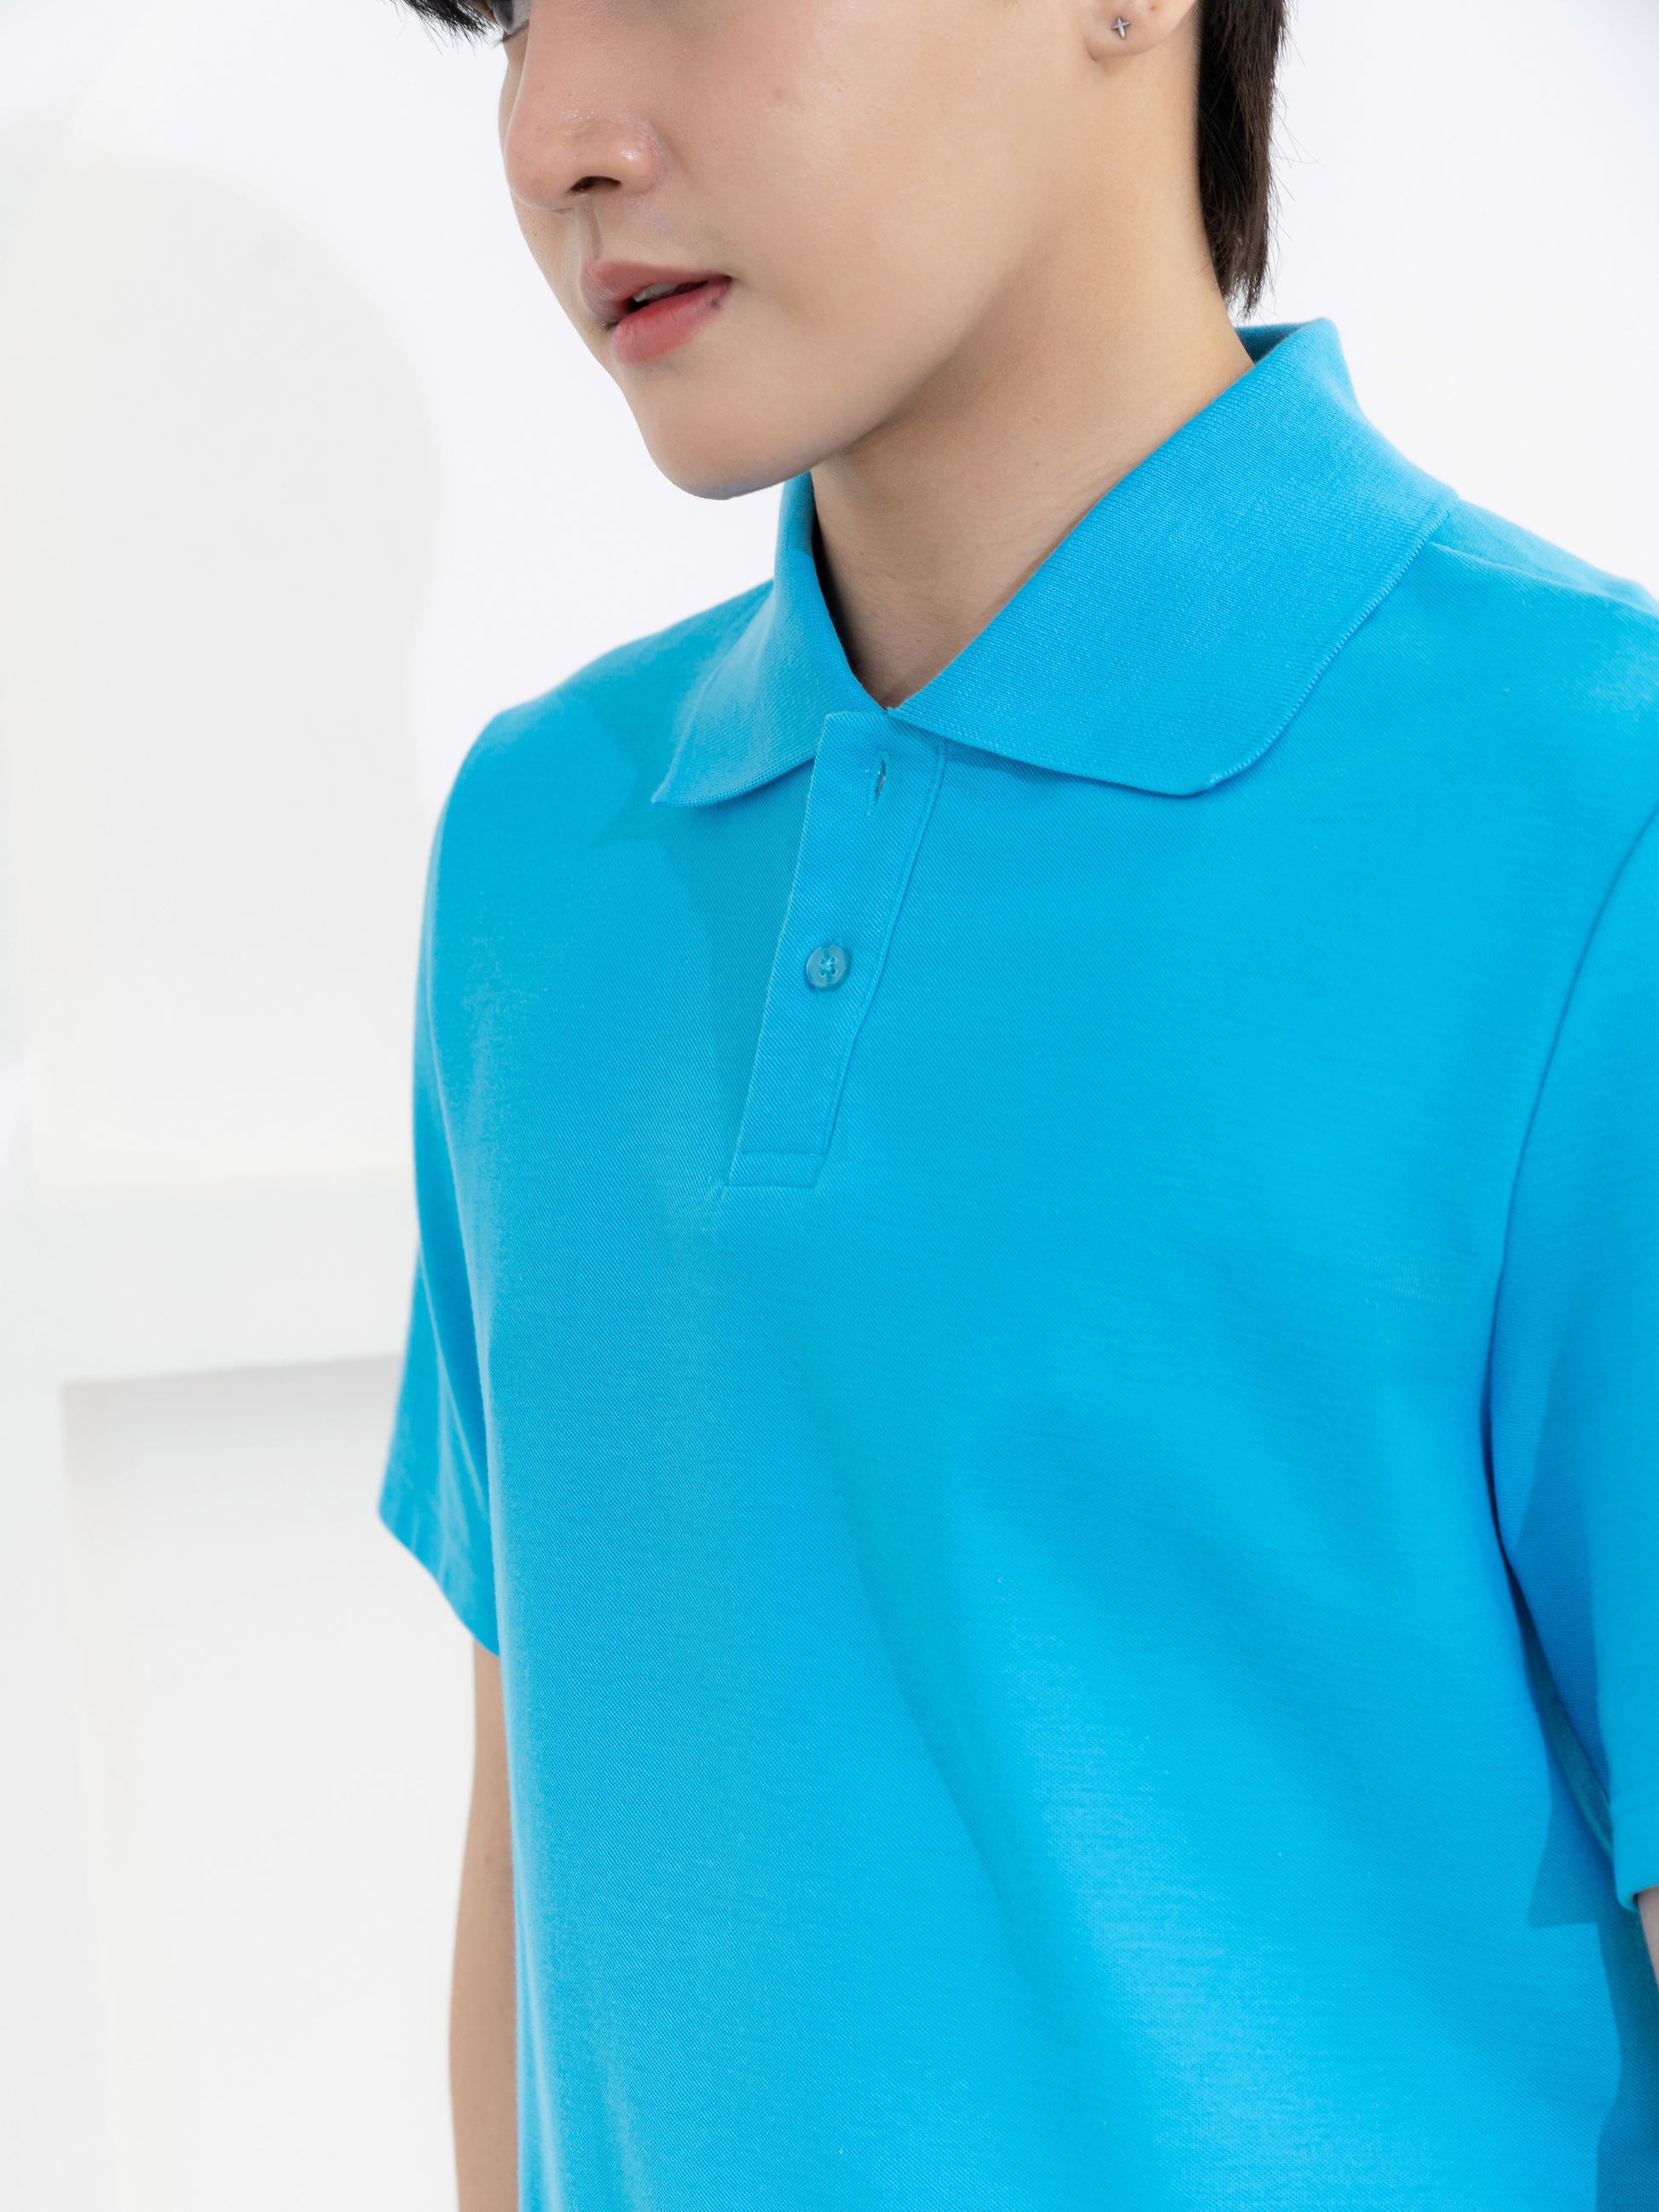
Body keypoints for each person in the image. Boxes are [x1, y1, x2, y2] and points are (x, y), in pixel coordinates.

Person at [377, 1, 1659, 2205]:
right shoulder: (542, 857)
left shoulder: (1589, 826)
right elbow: (552, 1877)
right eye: (510, 14)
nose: (556, 131)